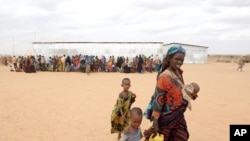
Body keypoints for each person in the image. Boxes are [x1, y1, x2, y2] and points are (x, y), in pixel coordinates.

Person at [144, 45, 193, 141]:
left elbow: (178, 91)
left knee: (181, 137)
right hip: (166, 119)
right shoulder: (164, 77)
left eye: (182, 60)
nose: (179, 62)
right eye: (177, 59)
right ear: (169, 58)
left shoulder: (178, 72)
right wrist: (155, 123)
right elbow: (158, 101)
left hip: (178, 116)